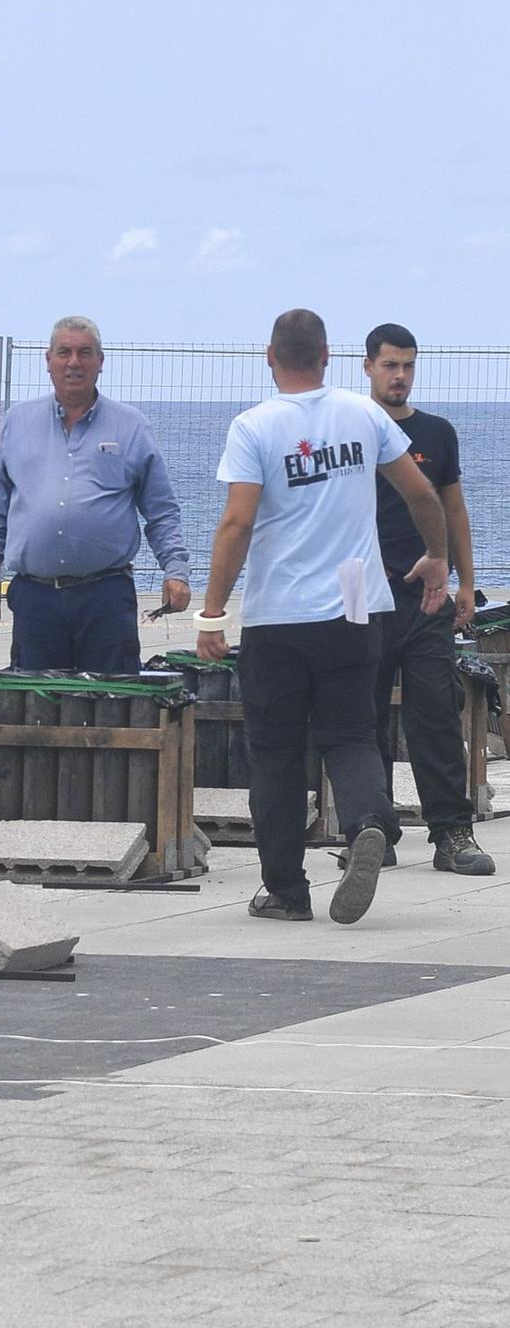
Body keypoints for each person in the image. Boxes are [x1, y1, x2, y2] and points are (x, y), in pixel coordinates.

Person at [196, 309, 449, 926]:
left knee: (277, 753)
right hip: (355, 607)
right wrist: (438, 558)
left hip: (278, 615)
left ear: (269, 355)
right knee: (352, 734)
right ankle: (368, 823)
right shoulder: (362, 416)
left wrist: (211, 612)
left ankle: (285, 889)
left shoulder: (254, 426)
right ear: (329, 355)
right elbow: (421, 492)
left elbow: (238, 522)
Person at [0, 317, 191, 673]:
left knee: (114, 710)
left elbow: (161, 511)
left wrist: (176, 571)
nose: (74, 362)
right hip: (34, 600)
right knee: (38, 711)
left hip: (105, 597)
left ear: (100, 361)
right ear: (48, 360)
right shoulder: (16, 423)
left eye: (84, 353)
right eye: (64, 352)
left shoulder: (131, 426)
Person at [362, 322, 493, 875]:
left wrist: (465, 581)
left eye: (408, 366)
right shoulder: (353, 429)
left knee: (436, 714)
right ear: (367, 366)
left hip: (428, 599)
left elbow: (453, 509)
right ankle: (370, 831)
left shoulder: (437, 433)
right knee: (362, 717)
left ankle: (451, 832)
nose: (400, 376)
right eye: (390, 365)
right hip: (365, 597)